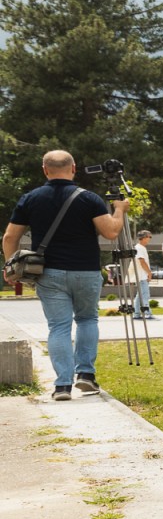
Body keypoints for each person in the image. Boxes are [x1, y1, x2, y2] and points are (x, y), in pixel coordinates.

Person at [2, 150, 128, 400]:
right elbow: (111, 232)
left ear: (45, 169)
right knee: (87, 320)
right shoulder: (89, 198)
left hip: (48, 272)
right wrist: (120, 209)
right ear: (73, 168)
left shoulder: (30, 198)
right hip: (86, 270)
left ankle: (62, 386)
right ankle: (86, 375)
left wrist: (10, 266)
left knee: (58, 327)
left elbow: (9, 237)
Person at [132, 231, 157, 318]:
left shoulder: (141, 248)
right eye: (149, 237)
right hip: (142, 276)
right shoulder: (139, 248)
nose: (150, 239)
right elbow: (142, 261)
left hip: (141, 275)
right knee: (145, 294)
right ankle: (147, 313)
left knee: (140, 295)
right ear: (143, 237)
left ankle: (136, 314)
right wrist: (149, 272)